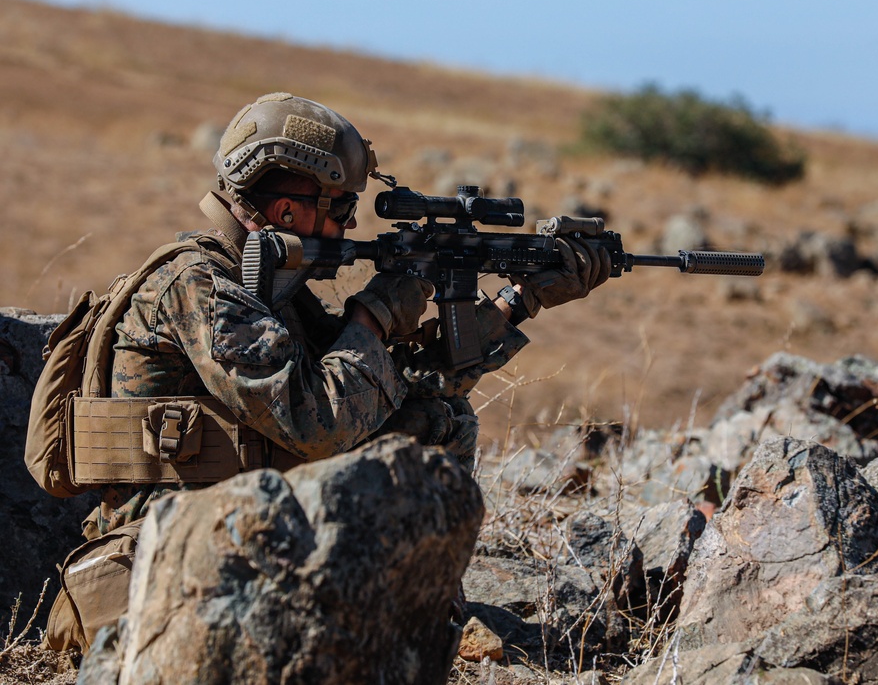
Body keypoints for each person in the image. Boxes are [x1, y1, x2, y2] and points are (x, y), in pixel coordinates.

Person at [44, 92, 610, 651]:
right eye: (340, 207)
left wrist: (519, 300)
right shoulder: (198, 287)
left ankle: (423, 613)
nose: (347, 225)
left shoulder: (275, 292)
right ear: (287, 210)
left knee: (436, 419)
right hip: (168, 549)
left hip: (233, 518)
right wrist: (375, 313)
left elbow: (400, 387)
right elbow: (321, 426)